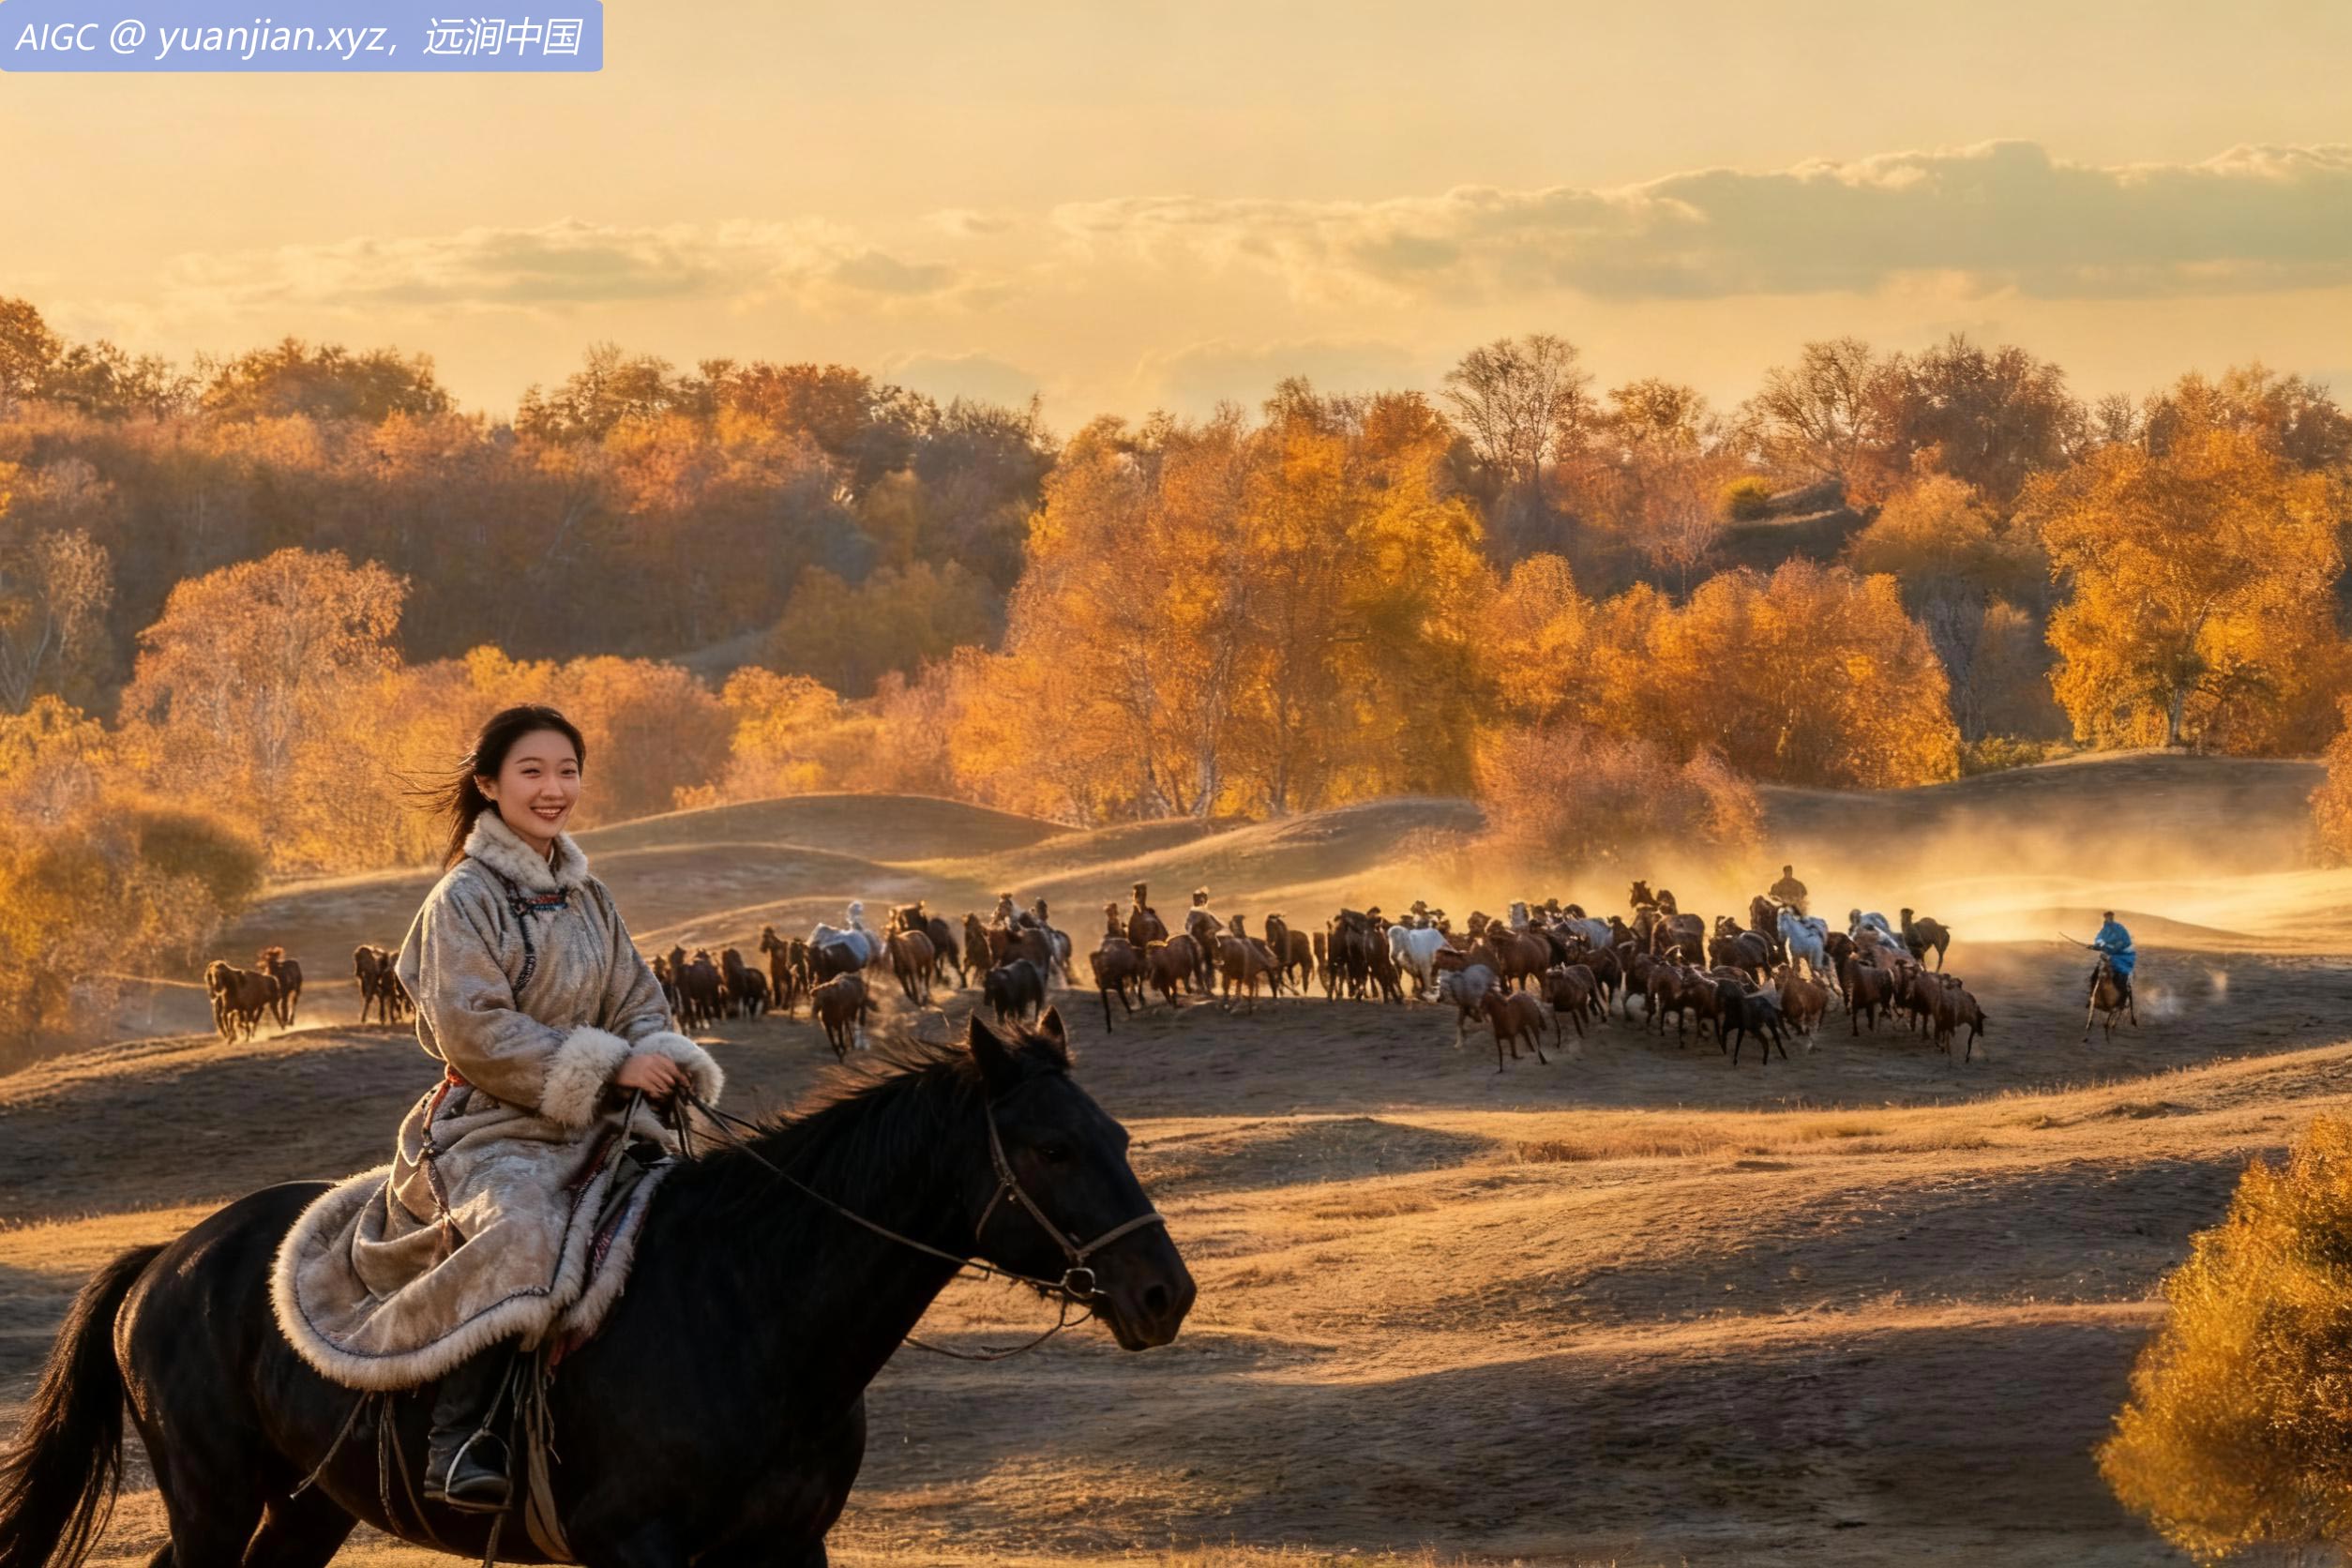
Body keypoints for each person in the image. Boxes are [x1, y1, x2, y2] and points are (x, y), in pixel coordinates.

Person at [271, 704, 723, 1515]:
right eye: (533, 772)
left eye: (568, 772)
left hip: (599, 1124)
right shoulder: (463, 898)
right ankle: (462, 1437)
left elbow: (638, 1001)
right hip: (485, 1128)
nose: (555, 789)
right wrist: (616, 1065)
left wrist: (665, 1058)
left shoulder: (590, 898)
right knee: (522, 1227)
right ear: (489, 785)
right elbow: (473, 1028)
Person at [2088, 910, 2135, 1003]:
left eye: (2111, 917)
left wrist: (2114, 948)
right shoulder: (2104, 930)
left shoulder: (2119, 928)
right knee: (2094, 976)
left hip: (2121, 955)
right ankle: (2092, 998)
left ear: (2113, 917)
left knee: (2121, 978)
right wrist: (2098, 945)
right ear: (2105, 918)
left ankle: (2121, 1002)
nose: (2109, 919)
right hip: (2107, 956)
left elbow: (2125, 941)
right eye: (2107, 917)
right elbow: (2099, 939)